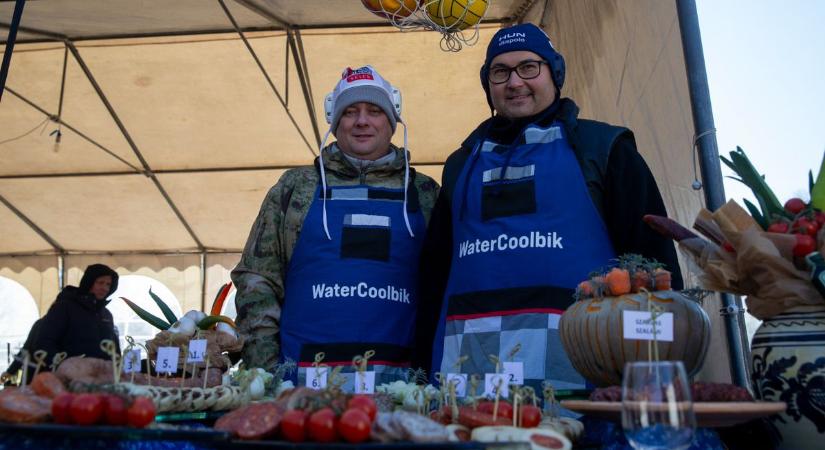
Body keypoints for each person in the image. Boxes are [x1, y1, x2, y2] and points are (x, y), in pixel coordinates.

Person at [415, 23, 683, 394]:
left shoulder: (603, 147)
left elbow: (655, 265)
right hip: (470, 379)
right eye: (500, 71)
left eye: (529, 67)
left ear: (554, 74)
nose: (514, 82)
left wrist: (661, 370)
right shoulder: (461, 164)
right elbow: (435, 274)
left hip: (583, 370)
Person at [232, 66, 439, 388]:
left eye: (374, 111)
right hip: (299, 383)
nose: (362, 121)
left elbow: (444, 285)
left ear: (393, 120)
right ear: (334, 121)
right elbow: (258, 279)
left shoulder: (426, 193)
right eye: (350, 112)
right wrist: (266, 371)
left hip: (401, 384)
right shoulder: (295, 187)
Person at [36, 263, 121, 366]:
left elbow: (113, 347)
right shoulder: (64, 307)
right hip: (69, 376)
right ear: (89, 282)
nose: (105, 288)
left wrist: (118, 367)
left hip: (102, 376)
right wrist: (62, 366)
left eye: (108, 284)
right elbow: (45, 340)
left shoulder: (106, 314)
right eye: (100, 282)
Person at [1, 319, 42, 385]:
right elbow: (25, 350)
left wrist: (9, 372)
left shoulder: (40, 323)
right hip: (34, 376)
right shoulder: (41, 324)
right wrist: (9, 372)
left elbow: (25, 350)